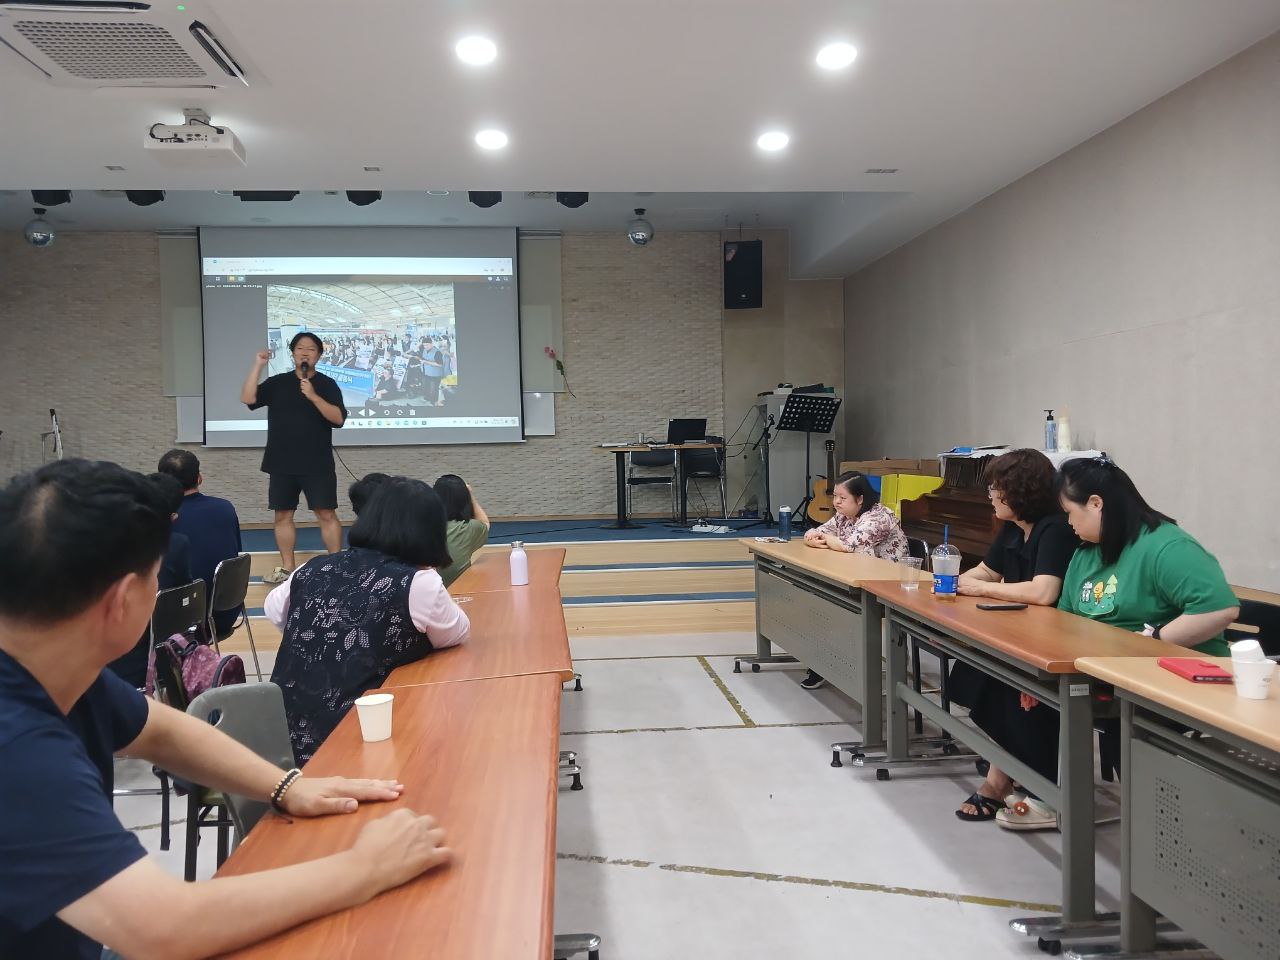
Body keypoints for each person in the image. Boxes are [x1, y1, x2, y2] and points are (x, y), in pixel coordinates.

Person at [0, 459, 450, 960]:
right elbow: (163, 928)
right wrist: (364, 868)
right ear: (123, 600)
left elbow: (161, 730)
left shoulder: (53, 666)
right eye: (156, 578)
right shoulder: (17, 746)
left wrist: (288, 785)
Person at [992, 454, 1240, 831]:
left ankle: (1152, 825)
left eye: (1072, 514)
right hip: (1105, 675)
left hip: (1170, 679)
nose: (1069, 524)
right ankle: (1049, 794)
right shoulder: (1087, 553)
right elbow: (1066, 624)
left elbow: (1219, 610)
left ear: (1096, 503)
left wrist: (1154, 641)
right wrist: (1040, 675)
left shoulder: (1165, 546)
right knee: (1014, 690)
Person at [266, 477, 470, 764]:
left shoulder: (312, 567)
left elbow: (273, 610)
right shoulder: (418, 582)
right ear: (429, 530)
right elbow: (456, 631)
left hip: (279, 744)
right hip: (359, 741)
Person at [948, 449, 1079, 823]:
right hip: (1018, 635)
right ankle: (1004, 765)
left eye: (996, 486)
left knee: (1006, 686)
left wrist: (981, 589)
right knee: (972, 674)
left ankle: (1001, 780)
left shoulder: (1054, 528)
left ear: (1020, 490)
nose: (990, 494)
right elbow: (987, 573)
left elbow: (1043, 592)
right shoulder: (1013, 527)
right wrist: (961, 582)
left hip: (1052, 642)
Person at [241, 332, 348, 585]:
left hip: (317, 462)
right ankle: (288, 567)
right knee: (282, 515)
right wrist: (258, 365)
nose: (304, 353)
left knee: (326, 514)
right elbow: (248, 399)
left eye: (311, 349)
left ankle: (336, 565)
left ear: (319, 355)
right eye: (300, 348)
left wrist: (312, 396)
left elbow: (338, 419)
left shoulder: (327, 385)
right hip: (282, 461)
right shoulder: (278, 383)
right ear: (292, 353)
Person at [799, 472, 909, 690]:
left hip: (887, 584)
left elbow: (849, 545)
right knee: (815, 594)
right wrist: (812, 539)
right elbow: (816, 532)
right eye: (835, 496)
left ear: (860, 499)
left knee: (829, 604)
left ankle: (836, 662)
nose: (836, 502)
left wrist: (827, 540)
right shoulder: (845, 514)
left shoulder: (877, 517)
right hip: (856, 576)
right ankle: (825, 662)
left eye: (842, 497)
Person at [106, 473, 193, 689]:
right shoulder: (177, 544)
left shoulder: (104, 541)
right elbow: (185, 594)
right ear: (173, 517)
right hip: (159, 653)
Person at [157, 448, 244, 637]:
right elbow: (235, 552)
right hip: (225, 612)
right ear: (199, 478)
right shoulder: (225, 508)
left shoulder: (160, 519)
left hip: (182, 623)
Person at [433, 474, 491, 587]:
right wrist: (470, 495)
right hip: (457, 593)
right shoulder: (467, 528)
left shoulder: (420, 526)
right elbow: (485, 524)